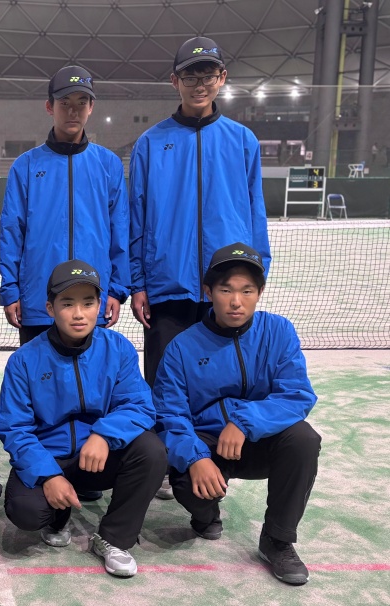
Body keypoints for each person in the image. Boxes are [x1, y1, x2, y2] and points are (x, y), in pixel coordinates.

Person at [129, 36, 271, 500]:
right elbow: (137, 218)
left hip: (225, 285)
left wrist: (256, 274)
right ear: (175, 81)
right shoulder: (151, 143)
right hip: (167, 284)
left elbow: (255, 212)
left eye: (208, 73)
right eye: (190, 74)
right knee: (163, 381)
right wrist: (138, 282)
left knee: (219, 381)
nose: (199, 83)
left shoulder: (242, 141)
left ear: (222, 78)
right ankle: (168, 464)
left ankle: (213, 461)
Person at [154, 243, 320, 585]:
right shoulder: (182, 347)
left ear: (260, 292)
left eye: (247, 291)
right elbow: (170, 414)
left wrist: (244, 422)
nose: (236, 301)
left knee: (304, 439)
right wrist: (196, 458)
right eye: (226, 290)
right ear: (208, 292)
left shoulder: (279, 331)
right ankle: (206, 515)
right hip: (209, 442)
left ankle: (277, 540)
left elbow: (297, 394)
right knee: (188, 482)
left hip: (260, 440)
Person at [0, 260, 164, 578]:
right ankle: (57, 515)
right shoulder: (24, 361)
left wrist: (103, 435)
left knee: (152, 450)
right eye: (67, 304)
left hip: (98, 457)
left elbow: (139, 405)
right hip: (52, 458)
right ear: (50, 308)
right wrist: (49, 475)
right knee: (26, 512)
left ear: (99, 306)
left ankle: (114, 538)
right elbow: (14, 429)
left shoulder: (118, 349)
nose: (78, 313)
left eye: (88, 303)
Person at [0, 65, 129, 347]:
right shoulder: (26, 166)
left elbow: (120, 231)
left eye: (81, 103)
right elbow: (12, 232)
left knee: (90, 374)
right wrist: (10, 290)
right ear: (50, 107)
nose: (73, 111)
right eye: (65, 103)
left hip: (91, 302)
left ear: (91, 107)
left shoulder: (108, 165)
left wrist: (117, 290)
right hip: (39, 303)